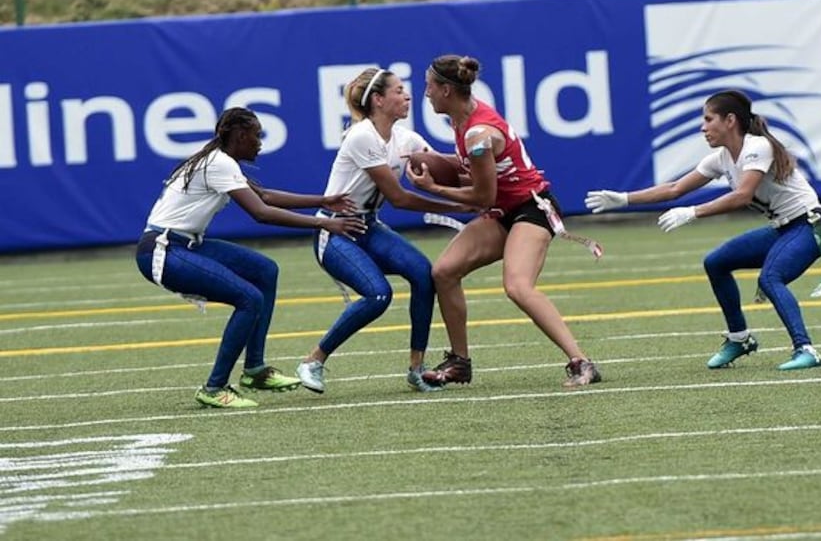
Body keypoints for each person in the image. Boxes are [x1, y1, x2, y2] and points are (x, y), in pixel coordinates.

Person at [585, 89, 821, 371]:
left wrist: (694, 212)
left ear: (730, 120)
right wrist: (624, 199)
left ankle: (806, 349)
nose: (703, 127)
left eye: (708, 119)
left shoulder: (757, 146)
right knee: (716, 263)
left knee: (771, 277)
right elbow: (674, 188)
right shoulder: (722, 158)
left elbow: (742, 195)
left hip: (810, 226)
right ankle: (739, 338)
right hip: (783, 229)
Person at [135, 107, 366, 409]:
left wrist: (322, 201)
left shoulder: (220, 160)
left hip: (184, 244)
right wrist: (323, 221)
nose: (260, 143)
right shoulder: (219, 163)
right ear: (241, 135)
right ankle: (214, 387)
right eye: (257, 136)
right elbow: (261, 212)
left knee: (264, 270)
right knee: (249, 298)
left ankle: (254, 370)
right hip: (164, 250)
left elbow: (265, 196)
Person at [406, 54, 602, 388]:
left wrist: (433, 186)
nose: (425, 94)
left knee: (517, 286)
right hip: (504, 210)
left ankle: (581, 361)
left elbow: (482, 196)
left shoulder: (478, 134)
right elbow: (478, 172)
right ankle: (460, 363)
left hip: (531, 208)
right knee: (444, 272)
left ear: (447, 90)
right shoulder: (463, 120)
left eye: (429, 87)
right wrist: (440, 162)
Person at [295, 67, 472, 394]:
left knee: (424, 274)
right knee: (378, 295)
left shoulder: (406, 138)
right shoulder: (362, 135)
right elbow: (399, 198)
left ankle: (416, 369)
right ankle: (313, 360)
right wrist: (460, 206)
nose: (407, 96)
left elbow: (447, 170)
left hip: (369, 226)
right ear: (378, 100)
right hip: (336, 232)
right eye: (399, 90)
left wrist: (494, 174)